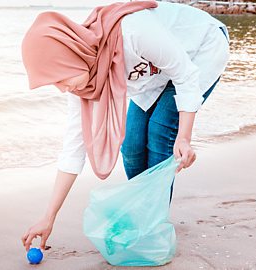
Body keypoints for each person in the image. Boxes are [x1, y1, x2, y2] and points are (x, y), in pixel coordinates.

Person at [20, 0, 230, 252]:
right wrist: (49, 217)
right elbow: (73, 150)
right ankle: (143, 209)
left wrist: (184, 137)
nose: (62, 88)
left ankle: (153, 222)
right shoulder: (83, 82)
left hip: (199, 49)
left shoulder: (132, 31)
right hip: (152, 73)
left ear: (69, 56)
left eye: (60, 78)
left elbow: (184, 74)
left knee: (160, 131)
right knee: (130, 145)